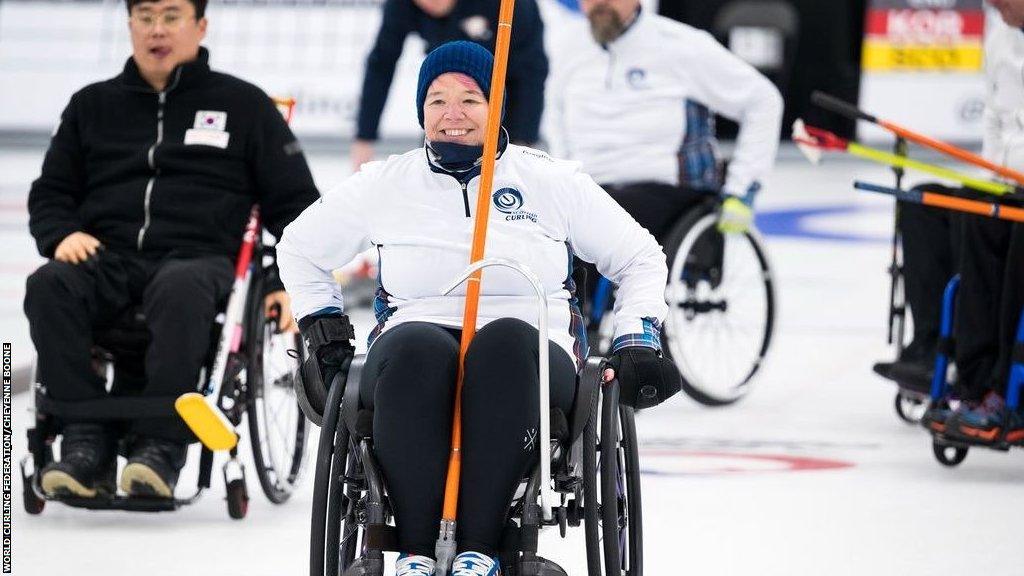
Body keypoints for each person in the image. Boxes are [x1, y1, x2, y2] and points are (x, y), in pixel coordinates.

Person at [279, 41, 679, 576]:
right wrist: (323, 329)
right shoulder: (385, 184)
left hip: (531, 349)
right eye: (436, 100)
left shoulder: (551, 181)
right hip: (412, 343)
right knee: (416, 345)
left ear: (496, 108)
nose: (452, 115)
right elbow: (299, 249)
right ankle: (417, 553)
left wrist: (637, 334)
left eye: (470, 99)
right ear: (421, 111)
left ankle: (484, 549)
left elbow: (641, 258)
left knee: (505, 343)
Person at [25, 0, 319, 500]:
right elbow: (51, 192)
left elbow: (296, 208)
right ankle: (83, 442)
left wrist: (282, 283)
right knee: (49, 283)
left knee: (180, 286)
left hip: (198, 259)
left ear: (200, 25)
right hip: (106, 256)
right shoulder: (90, 105)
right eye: (145, 17)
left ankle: (159, 447)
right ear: (130, 25)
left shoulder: (243, 106)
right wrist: (61, 233)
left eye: (171, 16)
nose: (156, 30)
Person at [544, 0, 784, 244]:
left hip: (667, 190)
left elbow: (762, 100)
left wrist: (742, 188)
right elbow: (556, 120)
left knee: (599, 222)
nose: (601, 2)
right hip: (590, 187)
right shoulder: (568, 49)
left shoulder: (680, 45)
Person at [927, 1, 1024, 444]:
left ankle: (1009, 386)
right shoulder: (1000, 31)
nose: (996, 8)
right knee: (972, 212)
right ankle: (976, 383)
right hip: (1009, 176)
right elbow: (993, 113)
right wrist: (992, 176)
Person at [350, 0, 547, 170]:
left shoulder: (512, 6)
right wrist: (364, 137)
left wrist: (523, 140)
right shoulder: (403, 5)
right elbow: (381, 65)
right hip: (446, 84)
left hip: (507, 82)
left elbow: (531, 73)